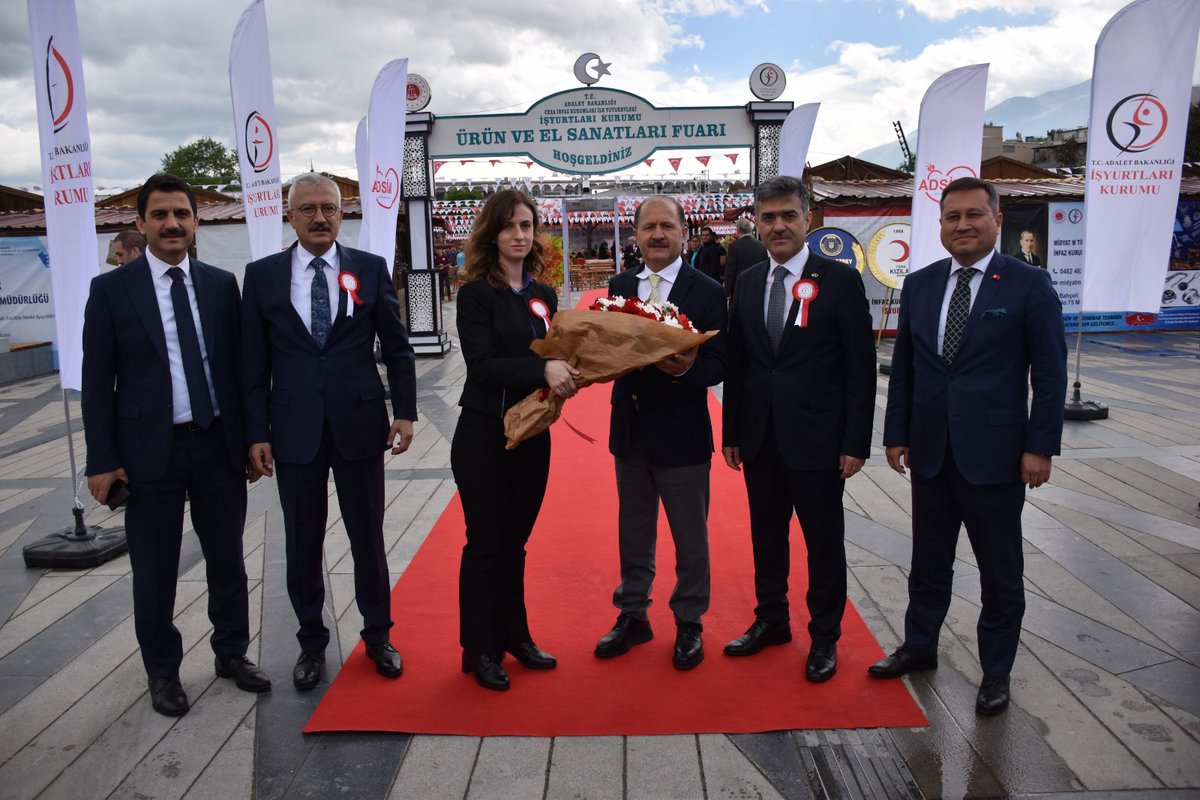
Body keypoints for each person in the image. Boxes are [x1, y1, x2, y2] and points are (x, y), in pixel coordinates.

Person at [871, 177, 1067, 716]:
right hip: (931, 452)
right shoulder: (922, 284)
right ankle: (919, 647)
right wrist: (896, 434)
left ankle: (996, 672)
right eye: (952, 216)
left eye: (974, 215)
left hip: (998, 457)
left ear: (997, 220)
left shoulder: (1029, 284)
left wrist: (1040, 447)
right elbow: (907, 367)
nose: (962, 225)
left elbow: (1050, 375)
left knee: (1000, 572)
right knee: (928, 564)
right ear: (939, 225)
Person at [82, 173, 269, 717]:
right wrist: (101, 460)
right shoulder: (111, 291)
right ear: (140, 223)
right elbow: (98, 383)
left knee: (228, 559)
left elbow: (240, 371)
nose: (172, 224)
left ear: (195, 221)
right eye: (160, 215)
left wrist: (254, 437)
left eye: (181, 214)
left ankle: (231, 653)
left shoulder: (218, 285)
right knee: (155, 567)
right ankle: (162, 671)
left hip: (216, 446)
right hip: (147, 455)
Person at [242, 172, 417, 690]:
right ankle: (311, 642)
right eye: (308, 209)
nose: (320, 218)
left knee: (368, 537)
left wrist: (404, 411)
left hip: (361, 426)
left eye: (330, 209)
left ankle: (379, 634)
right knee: (302, 541)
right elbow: (253, 364)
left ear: (343, 215)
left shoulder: (368, 268)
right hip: (293, 429)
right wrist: (257, 431)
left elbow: (398, 347)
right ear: (289, 216)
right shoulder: (263, 276)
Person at [721, 176, 875, 683]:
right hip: (761, 439)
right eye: (768, 217)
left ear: (807, 219)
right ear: (757, 224)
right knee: (766, 538)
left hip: (819, 442)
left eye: (788, 215)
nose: (779, 226)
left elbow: (860, 368)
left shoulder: (841, 281)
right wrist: (732, 433)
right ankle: (772, 620)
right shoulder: (745, 282)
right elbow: (740, 364)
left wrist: (856, 441)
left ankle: (825, 636)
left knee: (823, 543)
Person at [453, 190, 580, 691]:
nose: (520, 234)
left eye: (527, 225)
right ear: (492, 233)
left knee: (516, 544)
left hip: (532, 432)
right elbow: (481, 366)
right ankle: (479, 648)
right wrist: (542, 368)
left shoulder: (543, 296)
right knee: (485, 543)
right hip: (485, 433)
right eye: (509, 226)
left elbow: (552, 353)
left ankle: (516, 637)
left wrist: (574, 366)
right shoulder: (476, 293)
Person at [594, 196, 727, 670]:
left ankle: (689, 621)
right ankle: (633, 615)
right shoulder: (620, 284)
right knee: (633, 532)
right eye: (648, 226)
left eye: (666, 226)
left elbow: (720, 362)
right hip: (630, 430)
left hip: (682, 434)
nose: (657, 235)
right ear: (635, 234)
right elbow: (607, 346)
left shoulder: (708, 290)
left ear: (683, 233)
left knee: (690, 536)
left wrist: (686, 366)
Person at [723, 217, 768, 299]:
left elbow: (730, 271)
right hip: (758, 286)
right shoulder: (762, 245)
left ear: (738, 230)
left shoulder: (734, 246)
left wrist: (727, 290)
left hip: (739, 287)